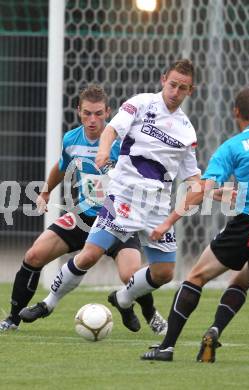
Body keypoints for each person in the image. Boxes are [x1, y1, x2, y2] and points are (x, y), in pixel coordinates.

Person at [19, 59, 202, 331]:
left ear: (191, 91)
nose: (175, 91)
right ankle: (48, 303)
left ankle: (123, 299)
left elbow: (194, 180)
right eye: (172, 84)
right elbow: (112, 130)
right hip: (123, 198)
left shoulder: (187, 131)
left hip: (156, 208)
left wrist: (205, 194)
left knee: (164, 273)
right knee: (89, 254)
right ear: (164, 80)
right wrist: (104, 150)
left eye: (182, 87)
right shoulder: (140, 103)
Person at [140, 87, 249, 362]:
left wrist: (168, 222)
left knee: (196, 277)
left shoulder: (232, 147)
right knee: (241, 282)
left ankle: (166, 347)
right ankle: (215, 329)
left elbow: (202, 189)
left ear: (236, 112)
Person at [1, 84, 167, 336]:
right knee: (35, 255)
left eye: (99, 113)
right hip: (84, 217)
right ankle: (12, 319)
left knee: (130, 275)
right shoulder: (71, 139)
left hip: (119, 219)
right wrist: (45, 191)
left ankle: (150, 313)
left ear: (108, 112)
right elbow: (61, 165)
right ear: (78, 111)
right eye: (87, 113)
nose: (93, 120)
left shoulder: (122, 141)